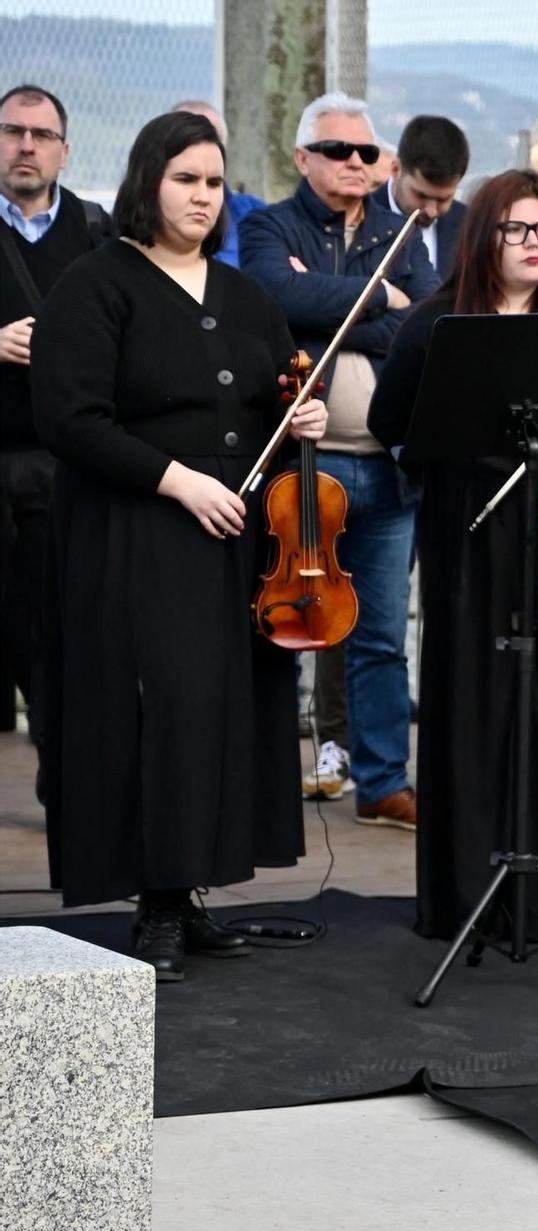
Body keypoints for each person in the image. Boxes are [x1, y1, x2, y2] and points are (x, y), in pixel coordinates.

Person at [31, 110, 327, 978]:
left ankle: (191, 888)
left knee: (222, 710)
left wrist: (297, 414)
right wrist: (177, 479)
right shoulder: (98, 283)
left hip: (235, 541)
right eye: (184, 179)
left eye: (212, 182)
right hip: (138, 530)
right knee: (159, 711)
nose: (202, 197)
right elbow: (70, 417)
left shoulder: (245, 296)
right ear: (147, 182)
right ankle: (154, 904)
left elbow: (272, 396)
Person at [368, 168, 538, 941]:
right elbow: (388, 420)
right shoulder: (437, 323)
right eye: (517, 229)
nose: (535, 243)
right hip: (472, 531)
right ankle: (469, 886)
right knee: (475, 692)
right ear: (485, 238)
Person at [241, 92, 439, 829]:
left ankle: (385, 780)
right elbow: (273, 300)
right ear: (302, 158)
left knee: (383, 635)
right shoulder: (268, 226)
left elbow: (427, 323)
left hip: (388, 468)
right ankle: (262, 777)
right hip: (303, 468)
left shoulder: (403, 231)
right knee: (281, 624)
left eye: (366, 151)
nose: (356, 163)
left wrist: (334, 306)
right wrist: (375, 297)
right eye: (337, 151)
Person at [0, 84, 110, 772]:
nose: (26, 146)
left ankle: (61, 782)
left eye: (41, 135)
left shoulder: (97, 234)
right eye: (13, 132)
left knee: (55, 631)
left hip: (60, 463)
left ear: (65, 152)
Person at [375, 114, 470, 279]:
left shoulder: (470, 227)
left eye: (443, 199)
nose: (431, 211)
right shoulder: (360, 218)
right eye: (421, 195)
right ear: (396, 169)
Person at [171, 101, 263, 268]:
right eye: (187, 140)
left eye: (211, 138)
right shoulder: (140, 219)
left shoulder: (256, 214)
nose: (201, 149)